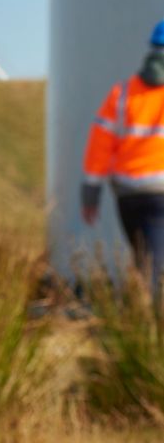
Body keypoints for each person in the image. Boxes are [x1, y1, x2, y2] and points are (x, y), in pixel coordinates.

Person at [81, 21, 164, 293]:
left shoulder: (123, 93)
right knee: (155, 266)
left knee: (145, 260)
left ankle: (143, 320)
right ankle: (151, 325)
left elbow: (99, 146)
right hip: (160, 194)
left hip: (127, 195)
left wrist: (90, 193)